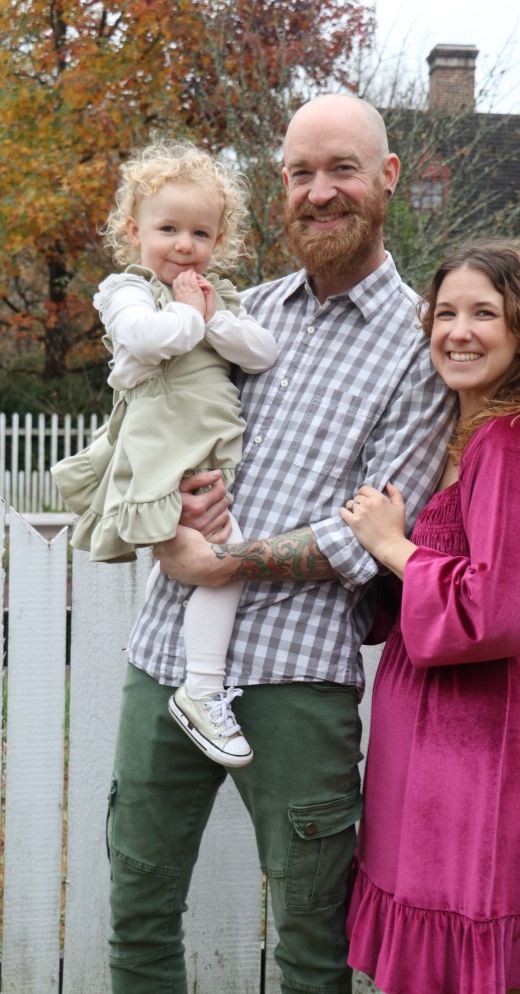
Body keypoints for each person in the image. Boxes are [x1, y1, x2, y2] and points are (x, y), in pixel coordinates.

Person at [106, 93, 456, 994]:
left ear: (386, 178)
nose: (318, 191)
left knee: (309, 946)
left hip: (297, 679)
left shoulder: (421, 346)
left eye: (341, 169)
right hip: (165, 659)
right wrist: (166, 509)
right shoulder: (237, 314)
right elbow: (155, 426)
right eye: (300, 172)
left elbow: (369, 533)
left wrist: (223, 562)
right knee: (138, 921)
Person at [340, 238, 520, 994]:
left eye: (483, 313)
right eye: (444, 313)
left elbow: (497, 612)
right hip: (420, 739)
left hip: (484, 745)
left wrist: (393, 546)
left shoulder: (517, 441)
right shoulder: (456, 439)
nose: (458, 331)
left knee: (467, 958)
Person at [51, 139, 278, 767]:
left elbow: (262, 353)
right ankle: (201, 687)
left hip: (206, 448)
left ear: (218, 240)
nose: (184, 245)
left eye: (200, 233)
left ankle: (185, 666)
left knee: (205, 554)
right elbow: (144, 338)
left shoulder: (215, 293)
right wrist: (190, 315)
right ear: (135, 232)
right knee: (225, 558)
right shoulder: (126, 290)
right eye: (168, 229)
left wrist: (216, 318)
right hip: (164, 446)